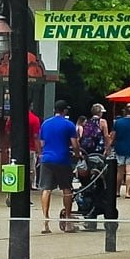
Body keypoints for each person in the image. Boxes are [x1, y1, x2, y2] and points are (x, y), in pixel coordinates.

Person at [37, 101, 77, 235]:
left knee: (46, 189)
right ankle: (67, 222)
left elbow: (41, 143)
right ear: (64, 111)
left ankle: (45, 222)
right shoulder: (69, 125)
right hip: (63, 159)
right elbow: (74, 144)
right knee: (67, 189)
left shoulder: (45, 124)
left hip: (47, 159)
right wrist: (77, 154)